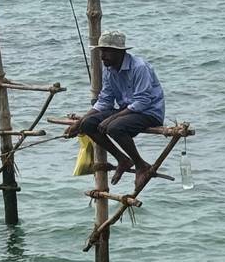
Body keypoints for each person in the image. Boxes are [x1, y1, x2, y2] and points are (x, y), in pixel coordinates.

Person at [64, 30, 167, 191]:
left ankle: (140, 165)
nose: (102, 56)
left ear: (120, 52)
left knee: (114, 127)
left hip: (149, 112)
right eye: (101, 51)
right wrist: (80, 122)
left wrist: (112, 118)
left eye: (106, 51)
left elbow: (142, 102)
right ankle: (122, 159)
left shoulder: (139, 67)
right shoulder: (109, 70)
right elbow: (104, 101)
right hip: (126, 111)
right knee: (88, 124)